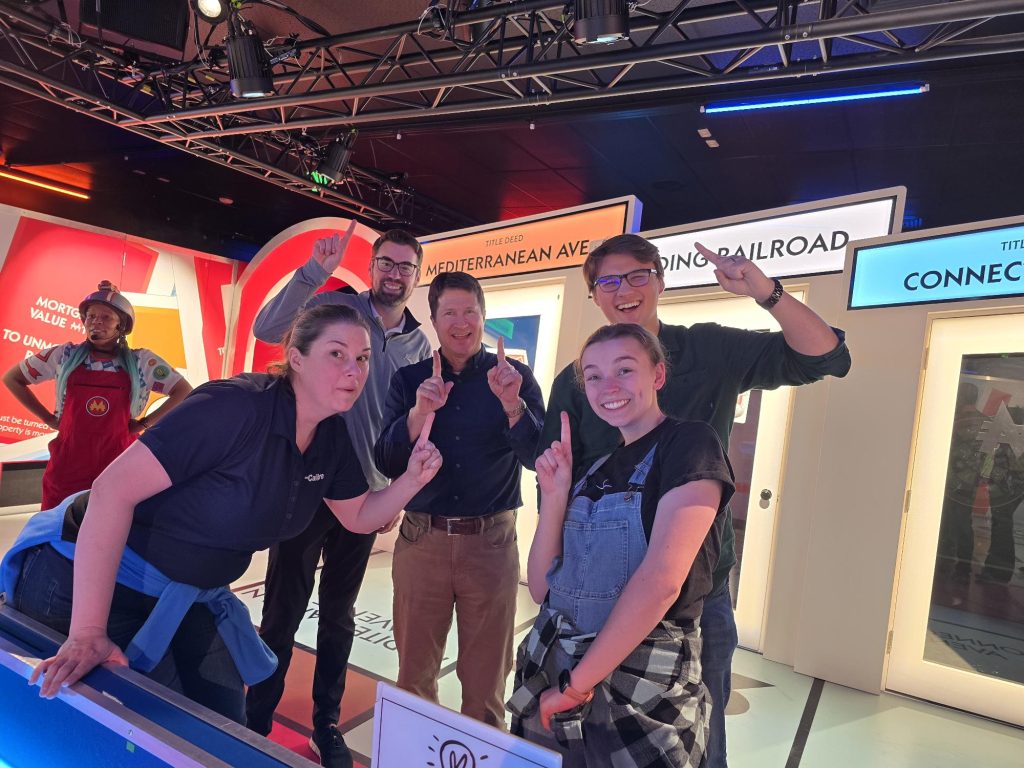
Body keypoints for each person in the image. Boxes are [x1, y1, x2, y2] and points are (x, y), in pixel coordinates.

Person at [1, 304, 442, 728]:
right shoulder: (235, 408)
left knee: (223, 725)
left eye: (363, 358)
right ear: (296, 359)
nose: (355, 370)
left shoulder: (331, 436)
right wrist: (88, 632)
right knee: (140, 732)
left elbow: (359, 516)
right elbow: (111, 492)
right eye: (337, 354)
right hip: (85, 580)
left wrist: (411, 480)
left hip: (189, 595)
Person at [537, 234, 851, 767]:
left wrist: (765, 291)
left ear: (659, 281)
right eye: (607, 281)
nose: (624, 289)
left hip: (692, 603)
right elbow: (557, 474)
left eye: (637, 275)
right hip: (593, 595)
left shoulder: (709, 352)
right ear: (594, 295)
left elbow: (825, 356)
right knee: (594, 742)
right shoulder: (576, 378)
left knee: (692, 744)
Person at [246, 225, 431, 767]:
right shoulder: (335, 307)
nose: (394, 274)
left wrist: (392, 496)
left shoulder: (420, 344)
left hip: (365, 496)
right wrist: (313, 273)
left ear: (416, 278)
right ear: (372, 266)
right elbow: (267, 328)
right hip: (307, 485)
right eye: (386, 263)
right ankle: (257, 715)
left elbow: (408, 424)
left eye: (405, 267)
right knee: (282, 610)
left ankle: (326, 721)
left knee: (339, 614)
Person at [509, 323, 735, 767]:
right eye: (593, 376)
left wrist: (576, 686)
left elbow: (661, 583)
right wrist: (555, 496)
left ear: (658, 375)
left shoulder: (690, 444)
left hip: (641, 686)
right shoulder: (594, 469)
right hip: (557, 663)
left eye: (624, 369)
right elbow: (541, 588)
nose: (607, 386)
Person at [374, 271, 545, 728]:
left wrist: (513, 405)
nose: (461, 321)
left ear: (483, 316)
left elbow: (538, 457)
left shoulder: (514, 377)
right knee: (413, 673)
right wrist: (417, 414)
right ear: (434, 319)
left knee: (487, 678)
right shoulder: (409, 379)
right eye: (450, 312)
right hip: (421, 539)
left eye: (470, 311)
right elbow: (388, 460)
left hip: (490, 544)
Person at [3, 281, 192, 508]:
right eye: (91, 316)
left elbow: (183, 391)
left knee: (108, 525)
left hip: (118, 462)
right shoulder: (64, 355)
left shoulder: (142, 362)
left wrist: (144, 424)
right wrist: (47, 418)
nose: (96, 322)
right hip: (68, 464)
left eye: (106, 317)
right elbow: (12, 378)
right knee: (57, 525)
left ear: (120, 325)